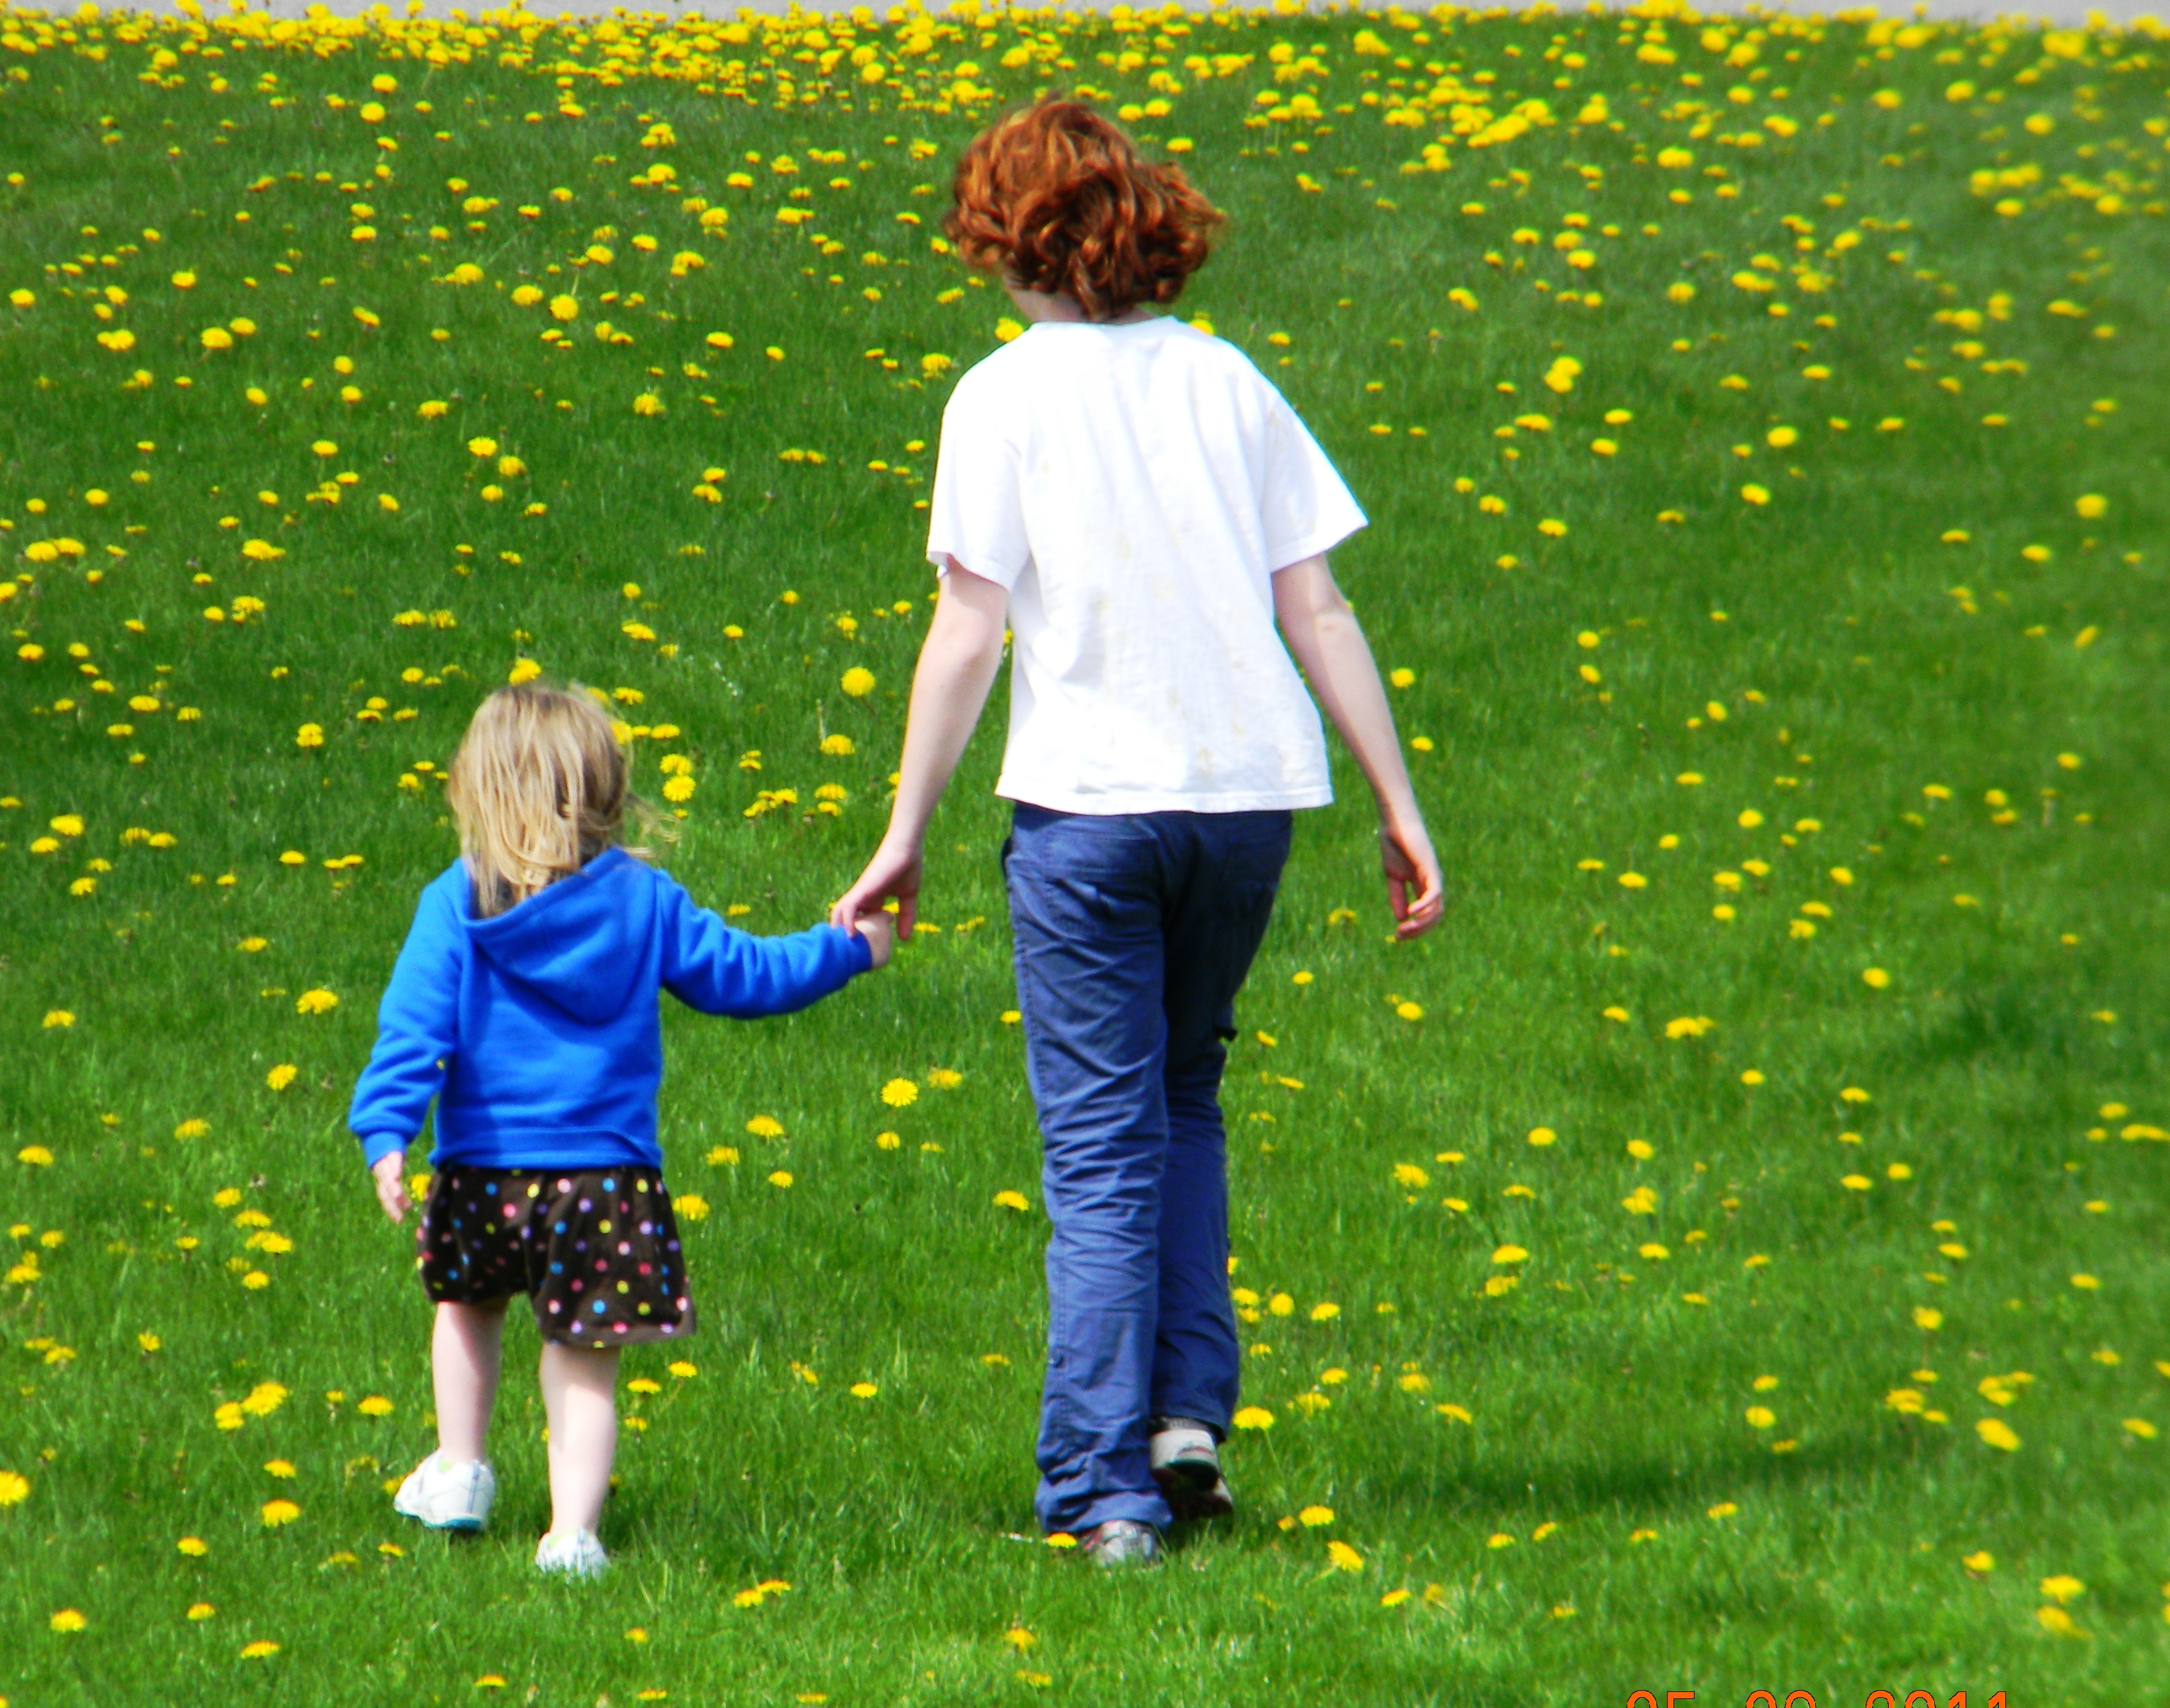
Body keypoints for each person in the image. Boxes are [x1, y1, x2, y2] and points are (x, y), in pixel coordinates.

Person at [830, 101, 1446, 1570]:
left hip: (1090, 815)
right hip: (1244, 810)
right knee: (1183, 1099)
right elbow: (1321, 609)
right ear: (1146, 226)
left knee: (1102, 1146)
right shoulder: (1227, 383)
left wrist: (903, 827)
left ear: (1003, 239)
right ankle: (1185, 1430)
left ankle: (1097, 1486)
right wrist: (1398, 804)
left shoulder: (1003, 396)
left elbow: (969, 629)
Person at [350, 682, 896, 1578]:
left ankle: (459, 1468)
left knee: (465, 1308)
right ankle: (572, 1534)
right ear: (604, 790)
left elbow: (413, 1031)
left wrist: (387, 1132)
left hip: (482, 1169)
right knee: (584, 1358)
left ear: (478, 790)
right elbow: (745, 973)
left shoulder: (456, 901)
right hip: (604, 1180)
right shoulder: (643, 901)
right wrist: (848, 947)